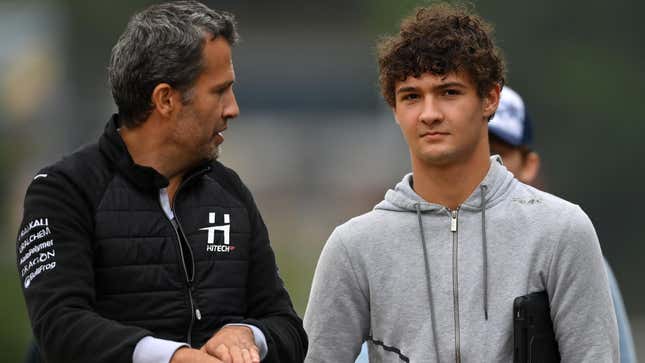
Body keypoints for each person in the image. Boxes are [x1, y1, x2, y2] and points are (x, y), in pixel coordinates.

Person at [303, 4, 618, 362]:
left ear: (490, 99)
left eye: (449, 92)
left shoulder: (561, 230)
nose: (430, 113)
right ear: (394, 109)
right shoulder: (353, 247)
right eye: (411, 96)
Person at [15, 2, 307, 363]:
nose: (233, 108)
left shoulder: (230, 194)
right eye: (219, 91)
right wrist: (175, 358)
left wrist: (248, 334)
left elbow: (289, 329)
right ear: (166, 99)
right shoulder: (62, 191)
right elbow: (61, 329)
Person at [488, 86, 637, 363]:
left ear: (529, 164)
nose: (486, 165)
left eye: (498, 154)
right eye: (474, 151)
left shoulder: (571, 251)